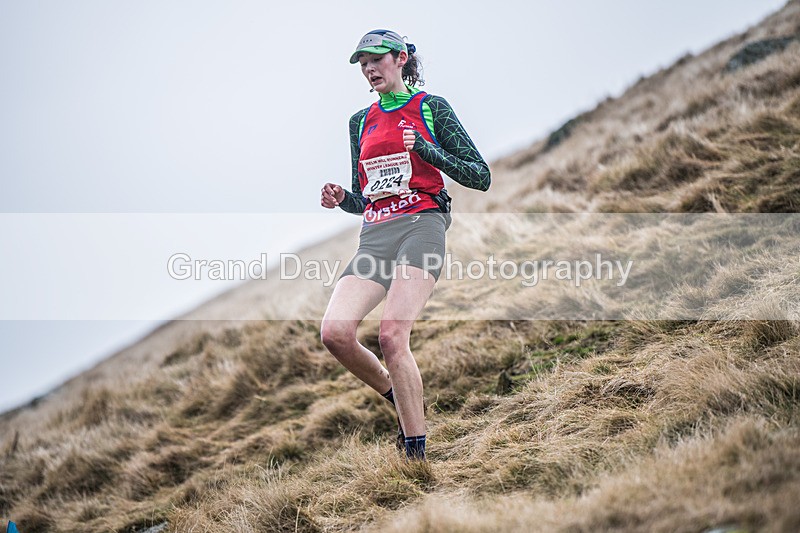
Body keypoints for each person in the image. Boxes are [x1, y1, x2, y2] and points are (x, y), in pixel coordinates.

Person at [319, 29, 490, 461]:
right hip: (376, 235)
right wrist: (344, 199)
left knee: (392, 335)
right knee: (335, 333)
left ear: (399, 59)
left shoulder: (432, 108)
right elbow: (366, 196)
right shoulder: (360, 122)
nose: (369, 69)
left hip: (423, 226)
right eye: (362, 64)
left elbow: (479, 175)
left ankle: (415, 454)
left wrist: (430, 153)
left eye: (376, 59)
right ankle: (397, 394)